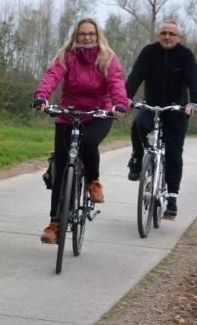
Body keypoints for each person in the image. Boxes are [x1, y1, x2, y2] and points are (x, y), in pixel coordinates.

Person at [33, 18, 129, 245]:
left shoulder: (107, 58)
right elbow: (51, 76)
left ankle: (93, 181)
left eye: (91, 34)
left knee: (88, 143)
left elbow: (116, 82)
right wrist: (42, 96)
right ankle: (55, 224)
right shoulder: (66, 57)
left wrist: (119, 104)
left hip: (99, 114)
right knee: (60, 169)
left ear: (98, 36)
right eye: (83, 34)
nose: (87, 37)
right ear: (76, 36)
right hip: (69, 113)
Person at [124, 20, 197, 220]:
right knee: (138, 125)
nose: (167, 37)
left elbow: (194, 80)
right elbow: (136, 76)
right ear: (159, 35)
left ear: (179, 37)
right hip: (152, 106)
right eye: (163, 33)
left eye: (171, 34)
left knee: (174, 155)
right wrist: (124, 98)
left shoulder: (186, 56)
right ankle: (137, 157)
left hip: (177, 110)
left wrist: (195, 103)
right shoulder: (149, 52)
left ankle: (172, 199)